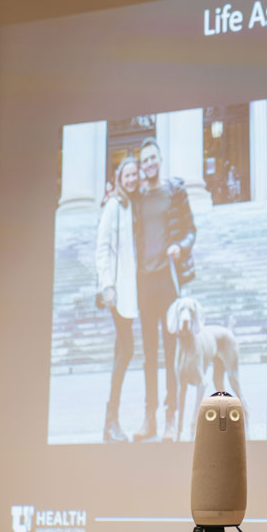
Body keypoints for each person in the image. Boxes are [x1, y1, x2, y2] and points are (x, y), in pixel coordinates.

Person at [132, 137, 196, 442]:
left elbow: (191, 230)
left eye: (153, 158)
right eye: (144, 160)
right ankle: (150, 418)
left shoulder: (176, 191)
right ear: (141, 165)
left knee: (171, 352)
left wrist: (180, 247)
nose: (149, 164)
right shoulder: (137, 197)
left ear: (160, 159)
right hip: (144, 283)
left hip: (168, 281)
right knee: (149, 354)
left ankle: (172, 418)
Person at [95, 157, 140, 443]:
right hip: (119, 290)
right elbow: (102, 247)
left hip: (135, 291)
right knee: (127, 350)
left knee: (121, 352)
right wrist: (107, 285)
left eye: (135, 174)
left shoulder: (137, 204)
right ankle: (111, 419)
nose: (132, 179)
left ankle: (109, 424)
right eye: (127, 175)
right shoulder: (114, 205)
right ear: (119, 177)